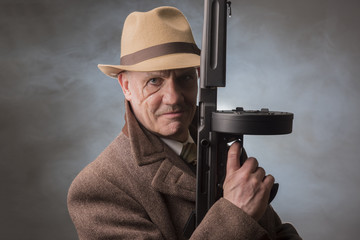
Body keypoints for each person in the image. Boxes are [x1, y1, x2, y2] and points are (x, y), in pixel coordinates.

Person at [67, 6, 301, 240]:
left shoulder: (220, 145)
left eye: (185, 78)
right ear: (126, 87)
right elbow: (242, 216)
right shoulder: (99, 187)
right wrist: (235, 215)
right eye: (154, 81)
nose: (174, 98)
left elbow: (273, 232)